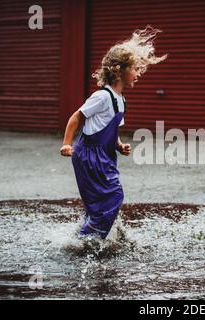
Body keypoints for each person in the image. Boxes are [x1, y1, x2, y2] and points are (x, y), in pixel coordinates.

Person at [60, 26, 167, 239]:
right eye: (135, 69)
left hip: (105, 155)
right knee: (113, 196)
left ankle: (87, 233)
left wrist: (118, 145)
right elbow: (77, 117)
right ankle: (89, 239)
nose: (138, 74)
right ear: (119, 71)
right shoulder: (102, 97)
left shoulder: (121, 100)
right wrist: (66, 143)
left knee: (101, 199)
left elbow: (110, 128)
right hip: (89, 154)